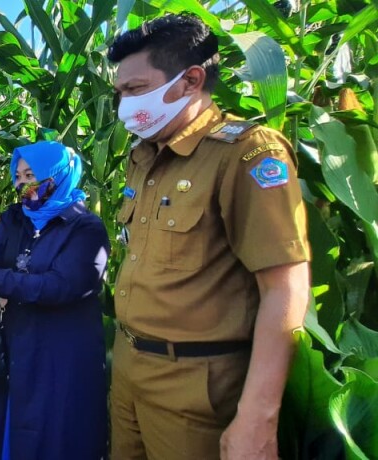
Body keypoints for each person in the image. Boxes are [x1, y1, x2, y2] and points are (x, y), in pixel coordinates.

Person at [107, 14, 310, 460]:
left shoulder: (246, 154)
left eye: (135, 89)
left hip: (195, 388)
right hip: (128, 369)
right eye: (120, 92)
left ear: (191, 80)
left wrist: (258, 417)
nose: (123, 104)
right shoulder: (143, 157)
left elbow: (285, 287)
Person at [0, 141, 109, 459]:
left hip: (60, 351)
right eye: (19, 175)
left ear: (57, 175)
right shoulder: (14, 218)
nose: (23, 183)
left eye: (31, 174)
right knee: (8, 421)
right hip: (17, 342)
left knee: (53, 428)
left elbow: (62, 286)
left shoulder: (86, 228)